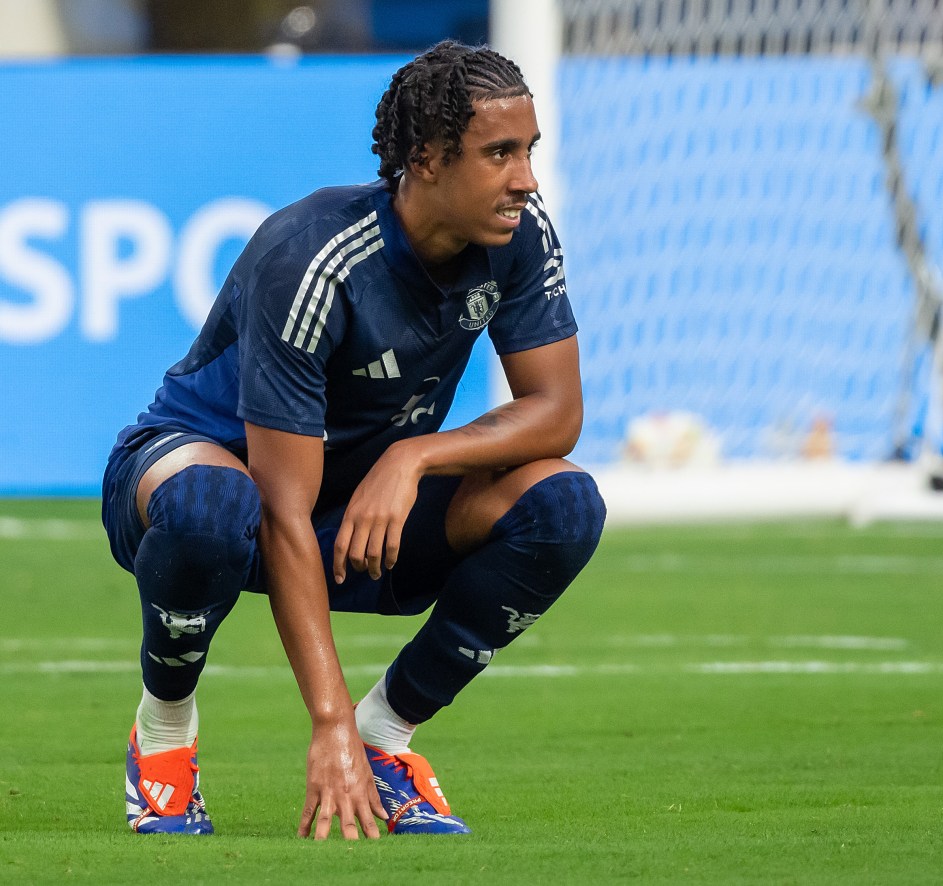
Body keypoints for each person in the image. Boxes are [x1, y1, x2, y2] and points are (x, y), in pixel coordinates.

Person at [101, 40, 606, 839]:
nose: (526, 179)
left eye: (529, 151)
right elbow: (281, 508)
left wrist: (415, 455)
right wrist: (323, 718)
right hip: (208, 479)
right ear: (429, 160)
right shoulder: (314, 259)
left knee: (563, 503)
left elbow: (556, 412)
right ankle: (164, 734)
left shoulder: (520, 233)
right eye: (501, 154)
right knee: (211, 502)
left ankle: (387, 737)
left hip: (364, 499)